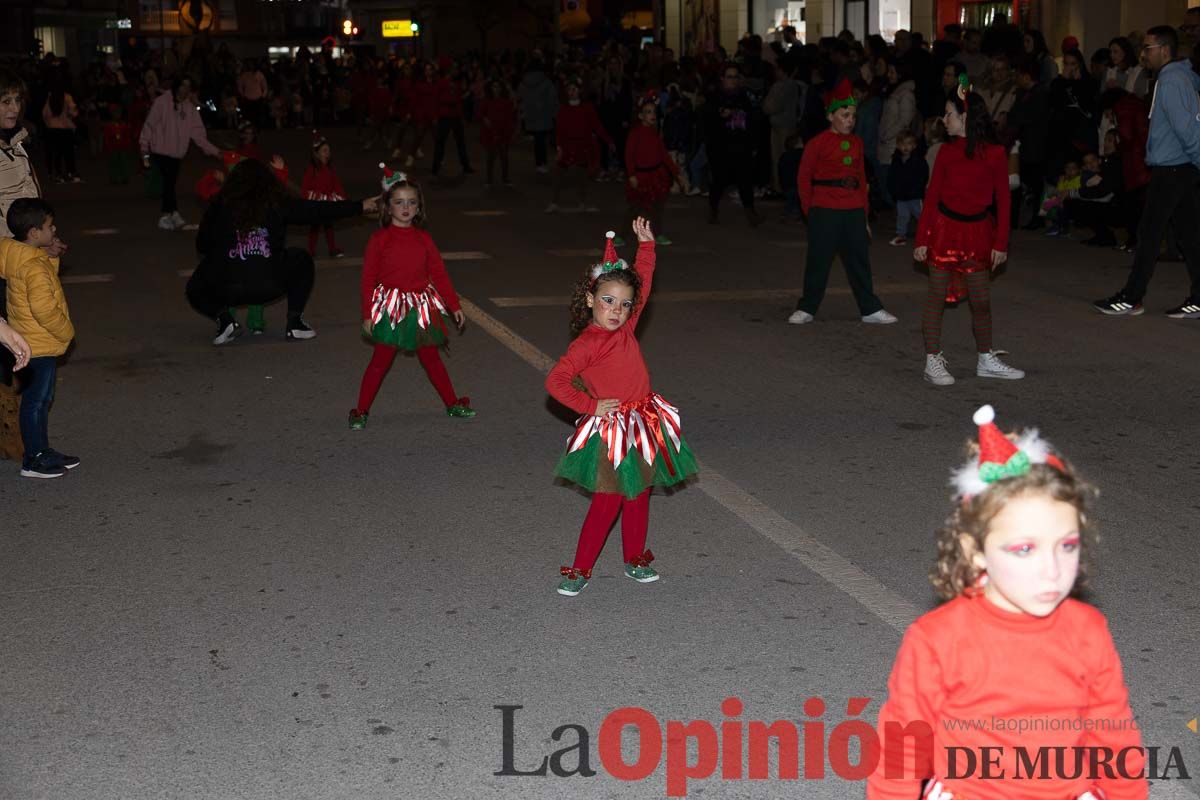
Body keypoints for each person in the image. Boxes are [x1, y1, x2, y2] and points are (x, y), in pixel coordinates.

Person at [867, 404, 1147, 800]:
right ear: (975, 550)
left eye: (1067, 545)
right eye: (1023, 549)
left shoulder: (1087, 630)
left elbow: (1114, 736)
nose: (1052, 569)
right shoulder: (937, 639)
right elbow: (902, 749)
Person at [545, 221, 698, 597]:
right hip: (613, 427)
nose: (617, 311)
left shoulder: (626, 328)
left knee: (639, 493)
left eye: (625, 304)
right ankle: (579, 569)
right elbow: (556, 381)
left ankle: (635, 559)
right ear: (590, 300)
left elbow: (642, 280)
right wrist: (591, 406)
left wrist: (647, 248)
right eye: (608, 301)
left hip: (644, 422)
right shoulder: (588, 343)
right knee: (607, 501)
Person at [186, 159, 375, 345]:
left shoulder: (219, 206)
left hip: (229, 288)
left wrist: (224, 253)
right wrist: (359, 207)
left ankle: (224, 319)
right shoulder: (277, 203)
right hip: (270, 284)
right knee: (301, 258)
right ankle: (295, 322)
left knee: (196, 282)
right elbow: (317, 210)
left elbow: (202, 246)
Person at [349, 167, 474, 428]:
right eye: (399, 202)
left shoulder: (424, 239)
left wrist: (454, 305)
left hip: (420, 308)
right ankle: (360, 410)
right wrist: (368, 314)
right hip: (391, 308)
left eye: (411, 202)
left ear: (419, 208)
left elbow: (439, 274)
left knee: (432, 358)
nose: (406, 207)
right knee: (379, 362)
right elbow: (368, 280)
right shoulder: (379, 240)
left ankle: (452, 403)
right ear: (388, 207)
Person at [916, 79, 1022, 386]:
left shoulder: (995, 154)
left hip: (978, 233)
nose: (943, 119)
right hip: (945, 231)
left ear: (965, 118)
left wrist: (1001, 242)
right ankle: (932, 359)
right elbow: (932, 197)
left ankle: (985, 358)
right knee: (936, 296)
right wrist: (922, 238)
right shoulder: (946, 152)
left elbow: (1004, 200)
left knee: (981, 300)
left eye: (948, 113)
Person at [1094, 25, 1200, 319]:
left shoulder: (1172, 80)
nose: (1143, 54)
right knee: (1190, 235)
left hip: (1173, 169)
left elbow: (1188, 130)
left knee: (1150, 233)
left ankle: (1132, 297)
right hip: (1179, 167)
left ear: (1165, 50)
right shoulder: (1175, 78)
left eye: (1148, 48)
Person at [789, 79, 897, 326]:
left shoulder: (857, 143)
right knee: (819, 260)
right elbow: (804, 178)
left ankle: (869, 308)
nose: (850, 120)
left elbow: (860, 180)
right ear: (831, 116)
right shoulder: (817, 143)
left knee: (859, 260)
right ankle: (807, 307)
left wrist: (864, 215)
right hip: (825, 207)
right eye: (844, 115)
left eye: (853, 116)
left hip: (852, 209)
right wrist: (810, 210)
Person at [0, 199, 77, 478]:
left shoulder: (19, 255)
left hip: (28, 337)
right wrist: (66, 332)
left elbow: (43, 280)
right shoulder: (33, 265)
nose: (53, 229)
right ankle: (33, 458)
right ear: (34, 233)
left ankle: (42, 450)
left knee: (40, 400)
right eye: (49, 226)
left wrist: (51, 257)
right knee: (37, 401)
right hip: (39, 342)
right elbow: (43, 307)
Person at [139, 76, 222, 231]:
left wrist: (215, 151)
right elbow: (149, 125)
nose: (185, 90)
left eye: (188, 87)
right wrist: (144, 148)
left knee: (170, 183)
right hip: (160, 150)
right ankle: (166, 215)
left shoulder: (189, 108)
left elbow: (198, 135)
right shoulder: (161, 102)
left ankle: (173, 213)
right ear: (176, 86)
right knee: (169, 182)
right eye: (182, 86)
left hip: (177, 154)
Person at [704, 64, 763, 227]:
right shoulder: (714, 97)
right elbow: (707, 121)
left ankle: (750, 211)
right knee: (719, 180)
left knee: (745, 179)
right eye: (729, 77)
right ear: (722, 79)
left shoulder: (744, 96)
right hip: (721, 146)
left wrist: (753, 142)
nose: (733, 80)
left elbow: (753, 119)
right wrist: (721, 116)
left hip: (741, 145)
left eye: (736, 76)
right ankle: (713, 209)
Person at [620, 96, 682, 246]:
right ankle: (622, 235)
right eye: (648, 112)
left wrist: (677, 172)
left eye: (654, 112)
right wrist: (632, 174)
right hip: (640, 176)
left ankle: (658, 233)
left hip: (656, 176)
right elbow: (629, 155)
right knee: (635, 208)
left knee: (657, 208)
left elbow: (664, 155)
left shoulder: (655, 133)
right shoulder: (635, 133)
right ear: (641, 116)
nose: (652, 115)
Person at [546, 77, 612, 214]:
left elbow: (597, 126)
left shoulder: (587, 108)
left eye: (574, 89)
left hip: (582, 145)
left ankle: (582, 202)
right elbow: (559, 129)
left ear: (579, 91)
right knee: (559, 175)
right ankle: (554, 202)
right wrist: (559, 146)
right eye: (569, 90)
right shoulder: (563, 109)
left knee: (582, 176)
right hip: (567, 145)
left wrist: (608, 140)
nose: (572, 92)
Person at [301, 131, 346, 258]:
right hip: (316, 204)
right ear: (316, 154)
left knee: (329, 226)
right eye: (324, 151)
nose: (328, 153)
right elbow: (305, 190)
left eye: (329, 151)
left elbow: (337, 184)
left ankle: (332, 248)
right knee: (314, 227)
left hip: (328, 203)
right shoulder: (312, 170)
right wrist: (317, 198)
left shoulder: (330, 169)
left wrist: (341, 198)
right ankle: (310, 251)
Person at [887, 130, 927, 246]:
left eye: (909, 144)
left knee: (921, 215)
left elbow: (923, 176)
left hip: (914, 195)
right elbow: (891, 176)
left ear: (914, 145)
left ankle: (927, 234)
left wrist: (918, 190)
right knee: (902, 216)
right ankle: (901, 235)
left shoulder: (918, 160)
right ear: (898, 145)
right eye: (903, 144)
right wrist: (893, 190)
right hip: (901, 195)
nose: (906, 147)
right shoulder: (896, 160)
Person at [517, 60, 558, 174]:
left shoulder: (524, 82)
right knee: (542, 141)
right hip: (544, 115)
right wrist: (554, 113)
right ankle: (542, 163)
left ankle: (539, 163)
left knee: (537, 141)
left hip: (531, 116)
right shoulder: (546, 82)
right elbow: (552, 99)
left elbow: (520, 98)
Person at [478, 79, 516, 187]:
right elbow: (480, 114)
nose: (496, 89)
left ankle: (505, 178)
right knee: (491, 156)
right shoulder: (486, 100)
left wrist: (510, 131)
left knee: (504, 156)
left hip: (503, 131)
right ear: (491, 88)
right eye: (494, 87)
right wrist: (485, 119)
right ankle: (489, 179)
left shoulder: (506, 101)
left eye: (498, 87)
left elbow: (510, 117)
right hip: (490, 131)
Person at [41, 84, 80, 184]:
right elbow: (73, 112)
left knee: (56, 153)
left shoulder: (50, 97)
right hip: (65, 129)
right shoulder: (67, 97)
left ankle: (57, 174)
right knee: (68, 153)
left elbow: (45, 113)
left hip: (52, 129)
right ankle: (71, 173)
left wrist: (48, 123)